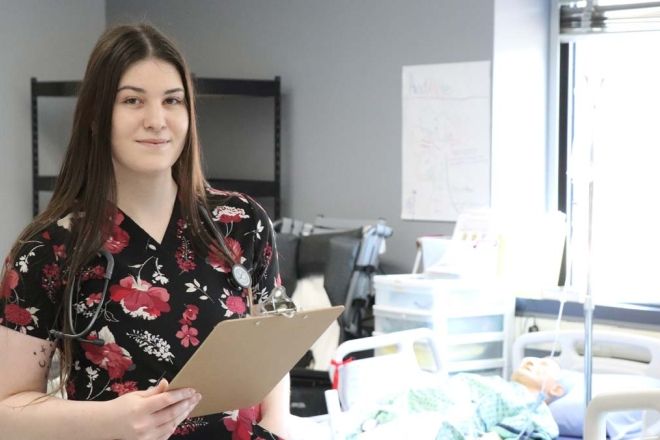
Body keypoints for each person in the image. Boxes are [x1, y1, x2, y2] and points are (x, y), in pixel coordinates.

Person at [0, 23, 290, 440]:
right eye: (133, 100)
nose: (157, 120)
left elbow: (274, 339)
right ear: (98, 118)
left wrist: (276, 423)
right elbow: (8, 411)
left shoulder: (241, 222)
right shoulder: (48, 248)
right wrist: (110, 422)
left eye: (172, 101)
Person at [343, 357, 568, 440]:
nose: (531, 362)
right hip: (419, 404)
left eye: (543, 365)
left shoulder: (533, 411)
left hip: (438, 425)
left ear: (556, 390)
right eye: (534, 359)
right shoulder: (497, 384)